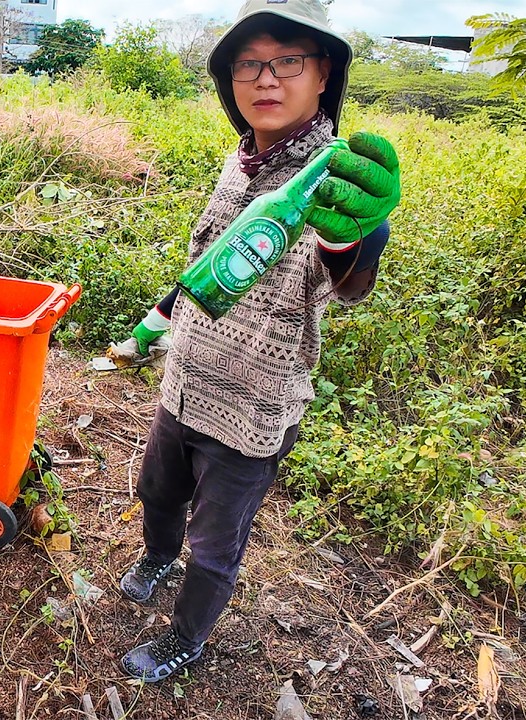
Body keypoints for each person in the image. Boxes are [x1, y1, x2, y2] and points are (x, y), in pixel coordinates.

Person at [115, 0, 401, 682]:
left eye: (287, 61)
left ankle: (186, 638)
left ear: (324, 71)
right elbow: (208, 262)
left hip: (249, 411)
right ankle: (158, 556)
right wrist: (157, 322)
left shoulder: (334, 185)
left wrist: (351, 237)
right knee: (157, 494)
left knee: (215, 548)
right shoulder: (239, 160)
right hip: (183, 382)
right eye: (248, 63)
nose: (265, 79)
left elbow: (348, 272)